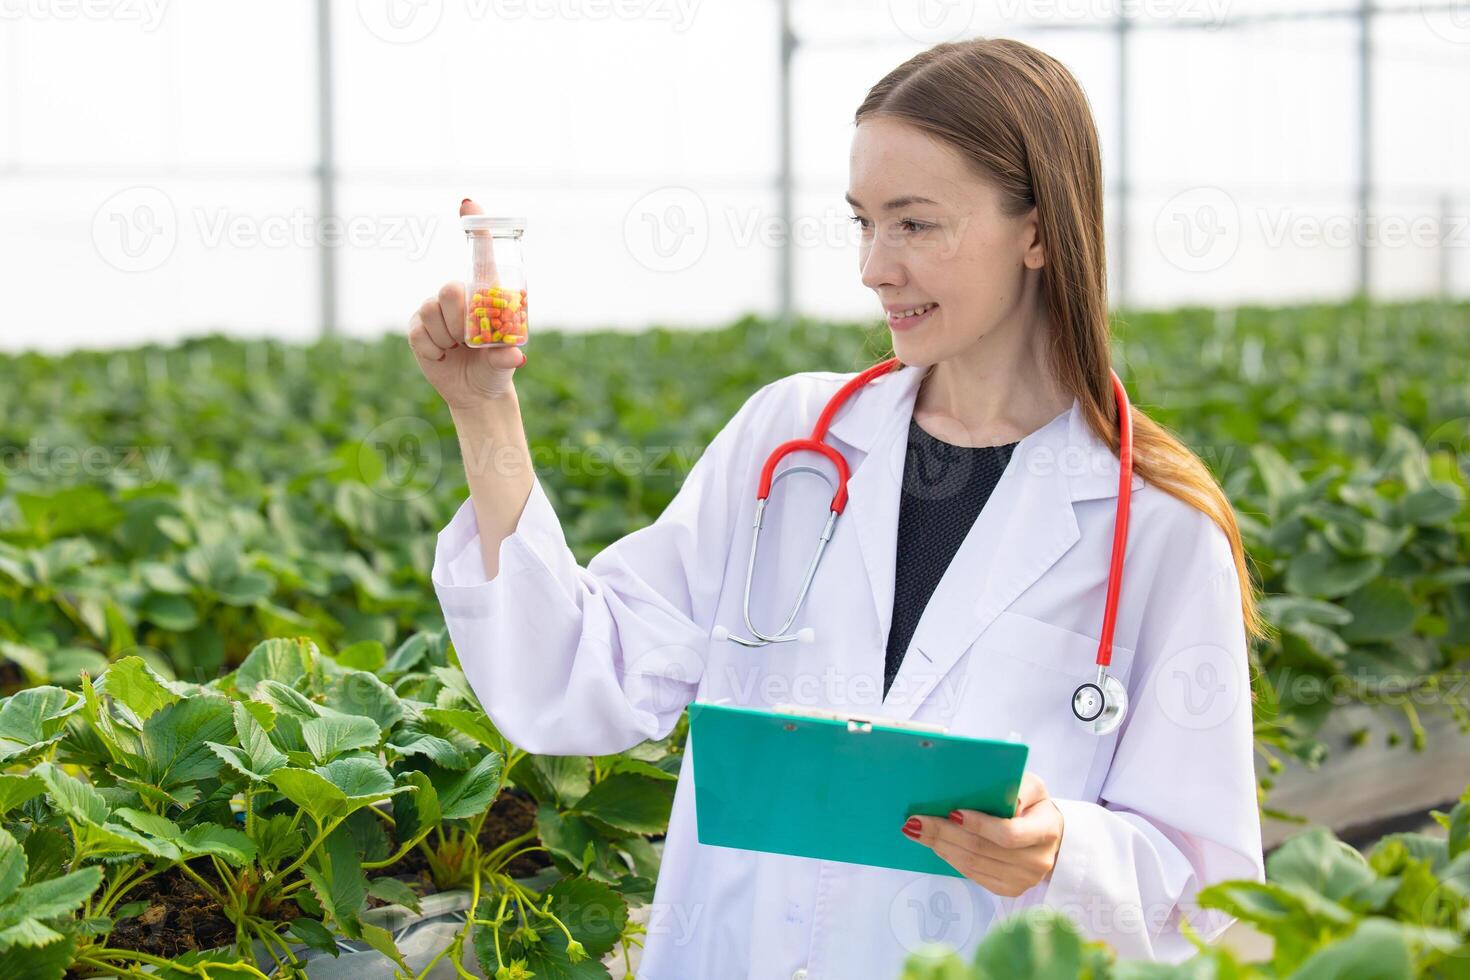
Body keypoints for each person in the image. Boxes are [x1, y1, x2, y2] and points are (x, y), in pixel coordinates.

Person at [408, 37, 1266, 980]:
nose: (874, 268)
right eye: (863, 222)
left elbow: (1211, 902)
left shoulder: (1160, 532)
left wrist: (1065, 852)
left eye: (915, 224)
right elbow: (574, 676)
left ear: (1038, 230)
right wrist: (483, 408)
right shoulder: (789, 444)